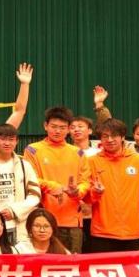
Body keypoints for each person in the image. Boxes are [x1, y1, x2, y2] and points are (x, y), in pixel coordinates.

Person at [84, 119, 139, 253]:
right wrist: (95, 192)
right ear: (100, 139)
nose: (110, 140)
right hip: (102, 233)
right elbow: (86, 197)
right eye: (105, 136)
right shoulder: (92, 162)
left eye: (114, 135)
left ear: (123, 137)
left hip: (134, 232)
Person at [23, 107, 90, 253]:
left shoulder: (78, 153)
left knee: (72, 263)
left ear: (69, 129)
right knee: (43, 263)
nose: (57, 131)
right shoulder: (33, 150)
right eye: (54, 126)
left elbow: (85, 181)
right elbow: (30, 178)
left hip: (72, 221)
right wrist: (55, 187)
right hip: (42, 221)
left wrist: (77, 191)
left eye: (62, 127)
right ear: (45, 126)